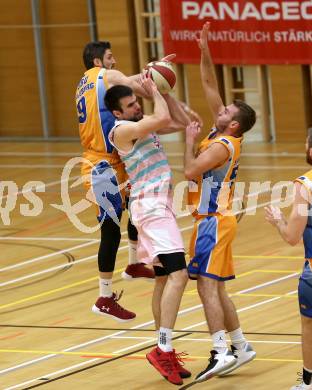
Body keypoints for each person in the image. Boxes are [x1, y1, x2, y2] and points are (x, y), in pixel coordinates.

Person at [104, 78, 190, 386]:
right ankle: (162, 349)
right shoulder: (122, 131)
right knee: (180, 276)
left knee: (165, 278)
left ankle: (163, 346)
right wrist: (154, 90)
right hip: (151, 209)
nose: (137, 106)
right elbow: (164, 117)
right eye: (130, 105)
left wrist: (165, 91)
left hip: (159, 208)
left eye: (136, 101)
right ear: (117, 113)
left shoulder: (144, 124)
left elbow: (180, 120)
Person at [183, 22, 257, 382]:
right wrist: (204, 50)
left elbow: (188, 171)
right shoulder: (223, 132)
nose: (220, 109)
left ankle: (220, 350)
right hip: (211, 217)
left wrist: (187, 139)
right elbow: (209, 83)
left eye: (226, 111)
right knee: (215, 285)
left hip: (213, 218)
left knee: (206, 286)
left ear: (234, 126)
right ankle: (240, 346)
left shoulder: (219, 146)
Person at [75, 41, 156, 323]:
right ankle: (104, 297)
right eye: (110, 57)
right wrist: (155, 73)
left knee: (137, 204)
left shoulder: (85, 82)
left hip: (114, 160)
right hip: (100, 166)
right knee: (110, 231)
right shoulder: (103, 75)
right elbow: (131, 84)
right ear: (98, 61)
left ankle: (134, 264)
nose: (114, 60)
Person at [265, 130, 312, 390]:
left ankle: (308, 382)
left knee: (309, 325)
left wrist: (278, 220)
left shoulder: (305, 185)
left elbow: (292, 236)